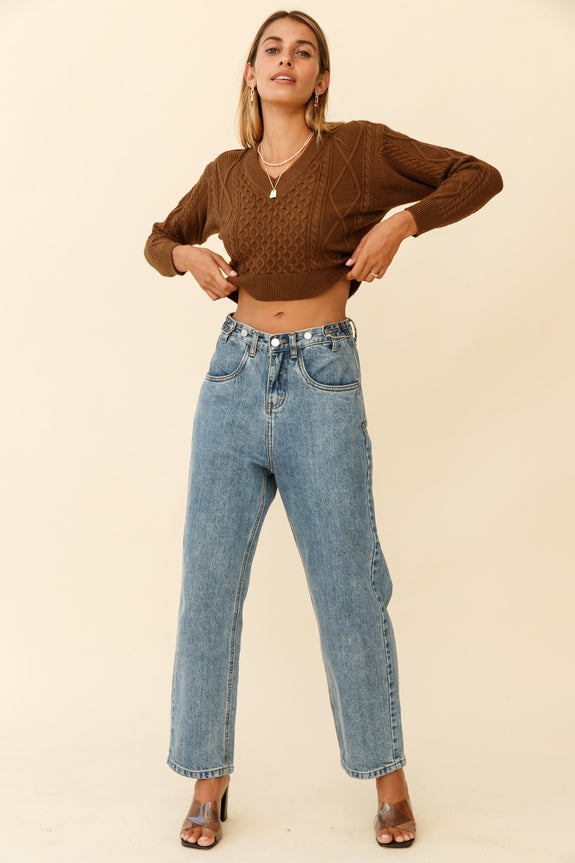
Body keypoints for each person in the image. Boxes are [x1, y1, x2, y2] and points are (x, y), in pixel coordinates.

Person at [144, 9, 503, 850]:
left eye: (303, 51)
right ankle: (207, 778)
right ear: (249, 71)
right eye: (271, 48)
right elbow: (159, 239)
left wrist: (401, 221)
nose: (286, 59)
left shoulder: (359, 150)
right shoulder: (225, 173)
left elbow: (476, 175)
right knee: (208, 585)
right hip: (231, 379)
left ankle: (387, 776)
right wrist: (187, 257)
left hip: (320, 380)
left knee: (348, 586)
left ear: (321, 78)